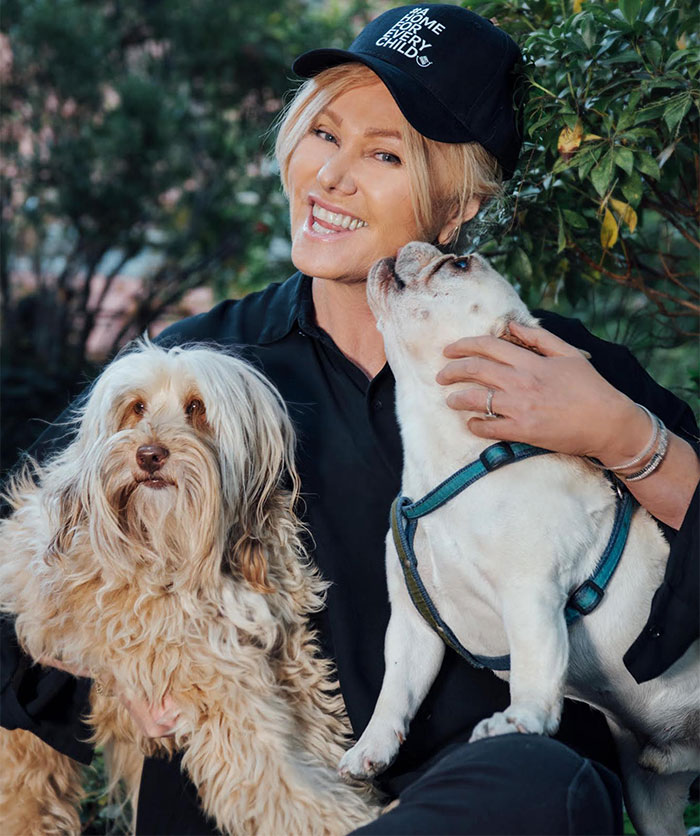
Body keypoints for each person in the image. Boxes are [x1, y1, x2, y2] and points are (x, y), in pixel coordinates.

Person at [2, 5, 698, 834]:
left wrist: (623, 438)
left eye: (383, 154)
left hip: (493, 805)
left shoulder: (569, 373)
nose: (329, 177)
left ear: (458, 207)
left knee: (539, 776)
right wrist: (110, 677)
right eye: (322, 133)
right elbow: (27, 584)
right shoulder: (189, 373)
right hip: (252, 814)